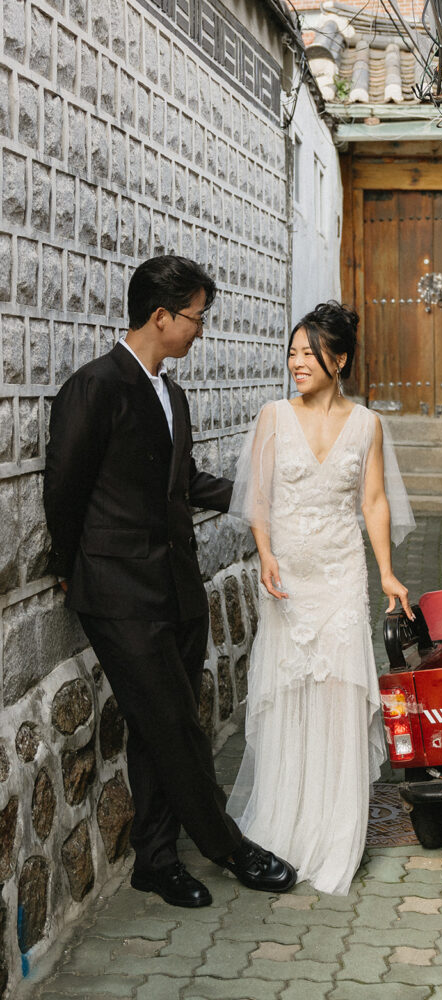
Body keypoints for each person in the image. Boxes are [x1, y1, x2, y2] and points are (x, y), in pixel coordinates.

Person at [43, 255, 296, 907]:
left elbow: (183, 484)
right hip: (119, 594)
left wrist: (264, 496)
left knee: (161, 728)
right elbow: (63, 491)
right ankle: (228, 846)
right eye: (196, 317)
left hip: (177, 589)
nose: (200, 330)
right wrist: (73, 572)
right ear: (160, 317)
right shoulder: (94, 387)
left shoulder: (171, 395)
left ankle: (156, 861)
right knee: (178, 725)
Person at [227, 300, 415, 895]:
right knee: (287, 697)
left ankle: (337, 831)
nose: (296, 363)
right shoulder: (272, 416)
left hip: (339, 578)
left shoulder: (366, 425)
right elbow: (258, 498)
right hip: (288, 583)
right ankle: (284, 823)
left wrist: (386, 571)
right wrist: (266, 554)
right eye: (292, 352)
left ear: (339, 361)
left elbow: (374, 502)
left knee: (337, 697)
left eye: (309, 353)